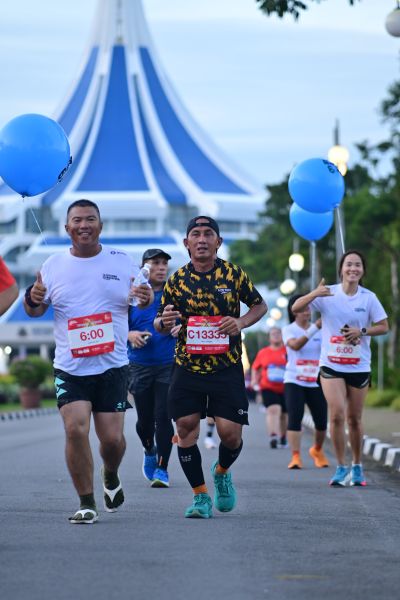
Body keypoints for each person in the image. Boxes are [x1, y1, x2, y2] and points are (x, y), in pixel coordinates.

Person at [23, 199, 153, 524]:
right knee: (75, 429)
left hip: (113, 366)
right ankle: (86, 502)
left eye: (90, 219)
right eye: (77, 220)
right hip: (71, 367)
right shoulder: (53, 265)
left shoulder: (121, 261)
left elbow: (143, 297)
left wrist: (146, 297)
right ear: (67, 227)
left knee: (112, 441)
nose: (84, 225)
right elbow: (34, 309)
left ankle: (110, 472)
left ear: (100, 225)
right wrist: (32, 298)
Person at [154, 215, 267, 519]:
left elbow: (260, 305)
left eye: (208, 234)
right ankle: (200, 496)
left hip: (226, 367)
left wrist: (240, 322)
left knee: (231, 435)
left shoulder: (233, 274)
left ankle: (222, 472)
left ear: (218, 241)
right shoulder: (177, 280)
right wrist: (164, 322)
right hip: (187, 367)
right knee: (185, 428)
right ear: (186, 243)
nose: (202, 239)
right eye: (196, 234)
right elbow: (160, 321)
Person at [292, 250, 388, 487]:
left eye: (357, 265)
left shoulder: (369, 298)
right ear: (341, 269)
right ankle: (341, 467)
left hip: (358, 365)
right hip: (331, 364)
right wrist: (314, 293)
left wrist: (361, 331)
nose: (353, 269)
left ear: (362, 270)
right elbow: (296, 307)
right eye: (349, 264)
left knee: (354, 419)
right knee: (336, 415)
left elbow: (383, 326)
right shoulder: (328, 294)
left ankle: (357, 465)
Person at [127, 248, 177, 488]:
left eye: (164, 263)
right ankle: (149, 449)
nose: (161, 267)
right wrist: (130, 335)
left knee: (163, 416)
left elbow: (189, 319)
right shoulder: (131, 295)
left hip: (168, 364)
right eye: (155, 262)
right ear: (144, 267)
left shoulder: (175, 293)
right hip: (139, 365)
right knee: (145, 421)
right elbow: (116, 325)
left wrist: (181, 328)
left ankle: (162, 468)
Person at [283, 295, 329, 470]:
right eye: (302, 309)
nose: (306, 312)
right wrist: (315, 328)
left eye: (308, 308)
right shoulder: (288, 329)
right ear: (293, 311)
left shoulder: (322, 330)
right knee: (295, 418)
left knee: (321, 421)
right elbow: (295, 346)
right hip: (294, 379)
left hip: (316, 380)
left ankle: (317, 450)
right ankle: (295, 456)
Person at [250, 327, 288, 449]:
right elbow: (255, 367)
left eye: (278, 333)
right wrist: (254, 380)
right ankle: (273, 436)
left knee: (284, 414)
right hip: (268, 386)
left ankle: (283, 437)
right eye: (273, 334)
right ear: (269, 338)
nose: (276, 335)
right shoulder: (263, 352)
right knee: (273, 409)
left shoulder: (288, 350)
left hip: (286, 387)